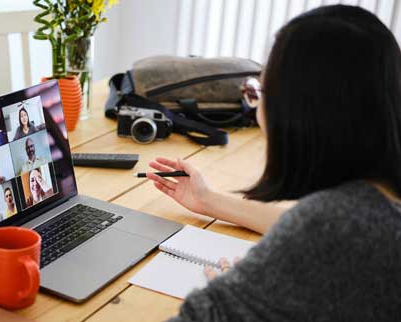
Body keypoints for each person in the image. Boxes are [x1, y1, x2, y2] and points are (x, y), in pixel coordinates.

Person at [146, 5, 401, 321]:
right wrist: (209, 200)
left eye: (260, 91)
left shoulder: (330, 226)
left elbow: (321, 230)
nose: (256, 108)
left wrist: (237, 292)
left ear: (298, 111)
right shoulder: (375, 208)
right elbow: (317, 226)